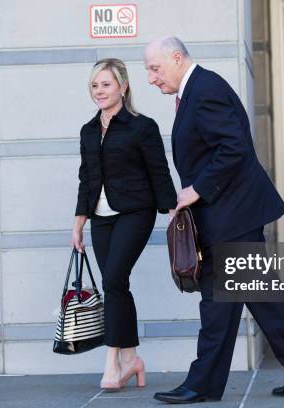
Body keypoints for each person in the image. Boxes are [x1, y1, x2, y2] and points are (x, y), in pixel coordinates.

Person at [145, 36, 284, 404]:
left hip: (232, 216)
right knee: (241, 301)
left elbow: (233, 147)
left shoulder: (205, 88)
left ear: (177, 58)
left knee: (229, 301)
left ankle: (205, 384)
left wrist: (195, 190)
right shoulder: (195, 89)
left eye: (155, 68)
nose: (151, 78)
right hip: (226, 216)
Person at [72, 58, 177, 390]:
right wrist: (78, 223)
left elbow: (159, 171)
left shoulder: (141, 126)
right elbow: (86, 179)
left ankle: (113, 363)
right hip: (100, 218)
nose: (99, 91)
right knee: (115, 285)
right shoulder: (88, 131)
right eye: (94, 85)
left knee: (114, 278)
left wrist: (174, 212)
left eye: (106, 84)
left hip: (135, 212)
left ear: (123, 87)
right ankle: (133, 361)